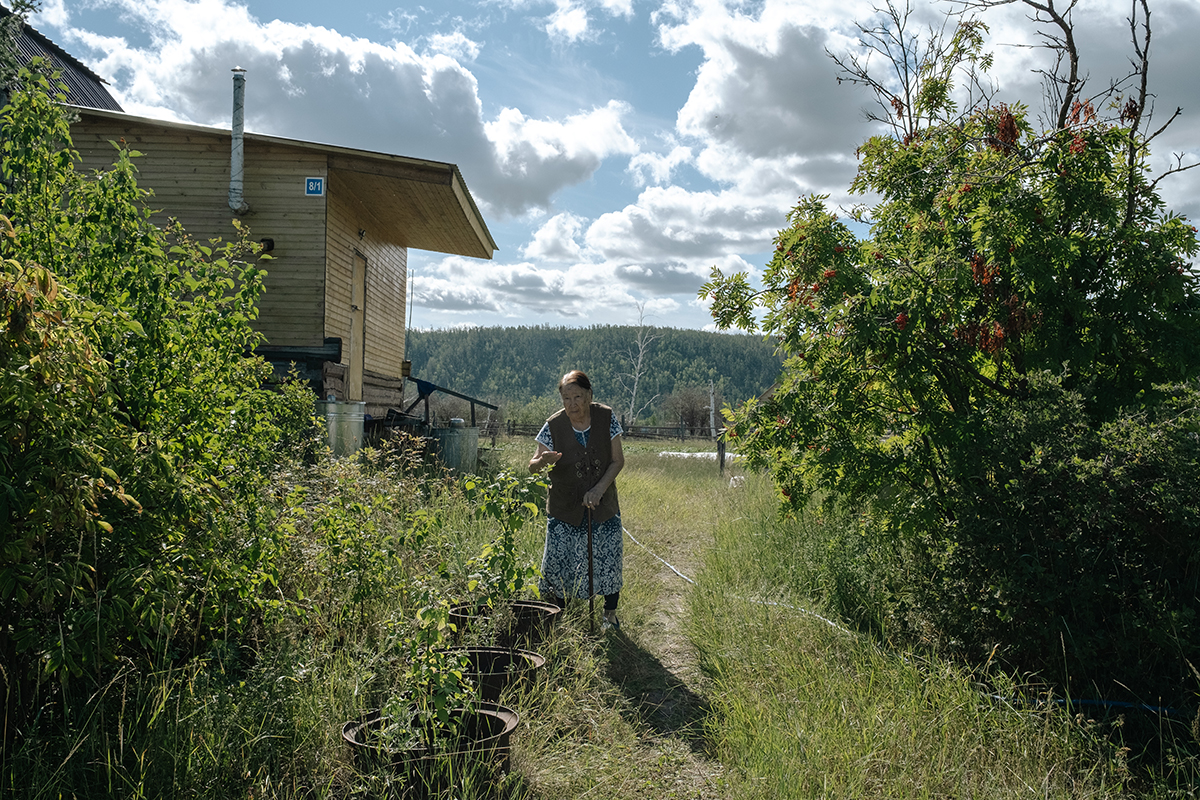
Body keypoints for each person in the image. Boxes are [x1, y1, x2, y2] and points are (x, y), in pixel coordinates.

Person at [528, 370, 625, 631]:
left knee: (607, 558)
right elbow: (532, 466)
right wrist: (543, 461)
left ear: (589, 395)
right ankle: (560, 619)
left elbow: (618, 460)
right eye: (566, 398)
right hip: (564, 507)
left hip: (603, 505)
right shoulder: (553, 425)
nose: (572, 404)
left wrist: (599, 489)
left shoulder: (606, 417)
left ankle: (609, 616)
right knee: (561, 561)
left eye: (578, 397)